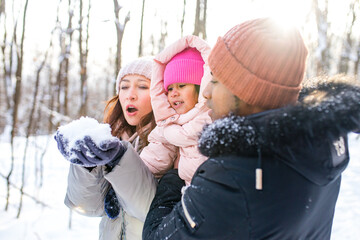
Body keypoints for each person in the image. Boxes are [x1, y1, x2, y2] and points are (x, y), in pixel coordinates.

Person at [142, 18, 360, 239]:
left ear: (248, 91)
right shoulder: (322, 143)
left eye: (216, 81)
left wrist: (171, 181)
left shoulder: (234, 176)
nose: (206, 92)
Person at [55, 57, 159, 240]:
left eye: (142, 86)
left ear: (159, 93)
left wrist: (120, 160)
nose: (130, 95)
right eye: (124, 87)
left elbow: (152, 211)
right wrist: (85, 165)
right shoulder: (112, 137)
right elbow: (87, 207)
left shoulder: (168, 142)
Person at [140, 36, 212, 185]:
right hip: (187, 192)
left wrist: (166, 129)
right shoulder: (170, 122)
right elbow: (152, 160)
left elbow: (187, 135)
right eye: (170, 88)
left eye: (182, 86)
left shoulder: (209, 115)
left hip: (211, 190)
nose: (173, 93)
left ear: (200, 88)